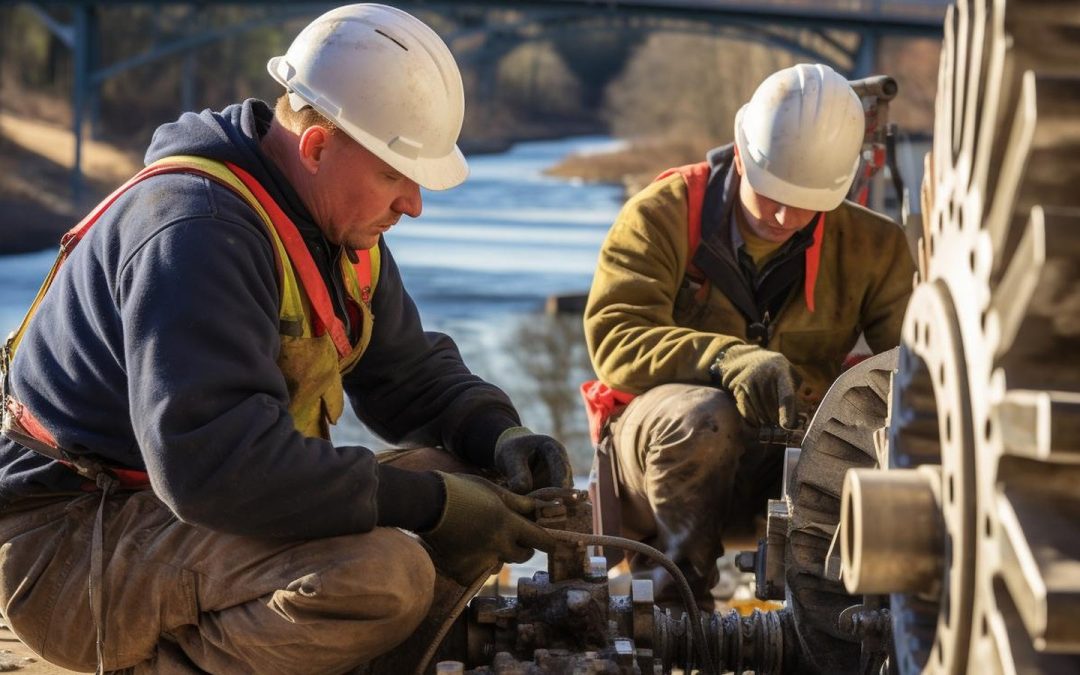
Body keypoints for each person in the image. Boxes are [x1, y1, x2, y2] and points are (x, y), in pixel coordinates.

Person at [0, 4, 572, 673]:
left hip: (166, 516)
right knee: (383, 575)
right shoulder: (196, 233)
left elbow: (408, 377)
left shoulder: (332, 224)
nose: (413, 203)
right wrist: (434, 505)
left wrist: (497, 433)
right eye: (396, 173)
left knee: (469, 480)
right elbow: (215, 468)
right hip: (71, 551)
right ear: (318, 145)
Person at [581, 63, 915, 611]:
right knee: (704, 416)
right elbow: (616, 341)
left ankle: (831, 614)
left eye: (806, 201)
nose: (784, 215)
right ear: (740, 153)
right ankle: (674, 601)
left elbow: (914, 369)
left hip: (791, 464)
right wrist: (726, 358)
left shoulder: (873, 248)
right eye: (771, 193)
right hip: (662, 463)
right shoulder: (659, 215)